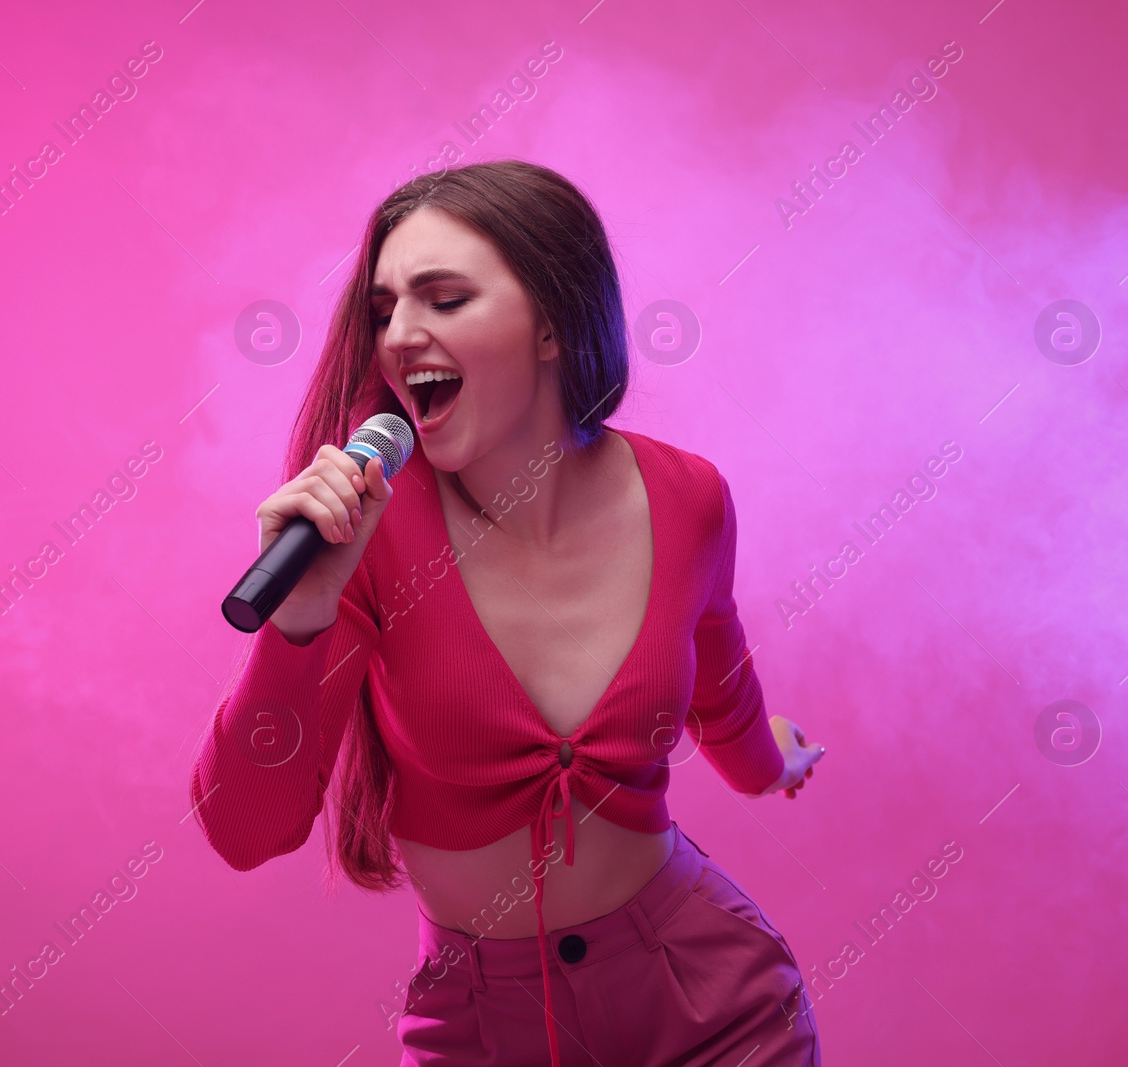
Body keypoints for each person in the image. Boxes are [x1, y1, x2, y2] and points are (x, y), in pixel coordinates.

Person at [193, 159, 825, 1066]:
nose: (400, 336)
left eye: (444, 300)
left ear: (553, 327)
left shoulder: (690, 497)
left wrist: (770, 762)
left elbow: (720, 682)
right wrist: (301, 621)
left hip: (716, 1007)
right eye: (383, 311)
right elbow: (246, 830)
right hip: (483, 1032)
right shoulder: (369, 534)